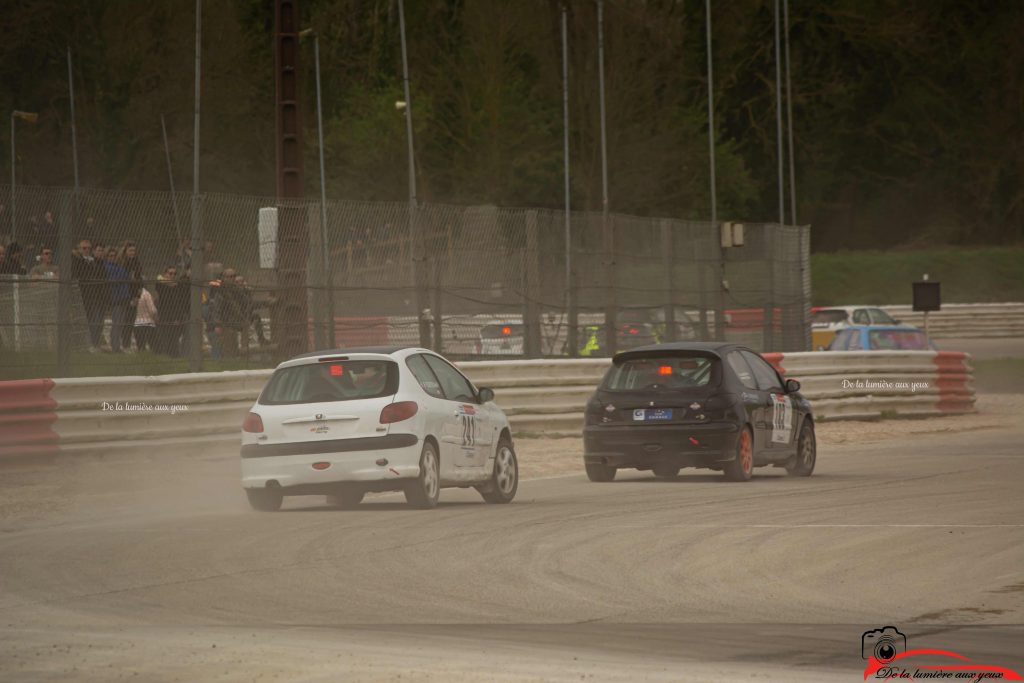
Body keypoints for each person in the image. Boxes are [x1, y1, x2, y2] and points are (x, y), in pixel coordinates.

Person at [70, 239, 108, 351]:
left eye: (88, 248)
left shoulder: (96, 261)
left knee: (99, 321)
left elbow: (103, 276)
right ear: (79, 249)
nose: (87, 250)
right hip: (85, 295)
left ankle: (95, 343)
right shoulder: (77, 261)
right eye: (84, 248)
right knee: (90, 320)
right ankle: (89, 344)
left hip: (98, 295)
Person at [214, 268, 248, 358]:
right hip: (226, 322)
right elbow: (217, 309)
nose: (232, 278)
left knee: (235, 345)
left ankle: (240, 357)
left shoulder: (236, 289)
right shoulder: (221, 290)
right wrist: (218, 325)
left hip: (236, 320)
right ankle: (228, 363)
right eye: (229, 276)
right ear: (224, 278)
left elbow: (246, 302)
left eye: (234, 276)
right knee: (229, 347)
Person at [155, 265, 187, 356]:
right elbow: (158, 283)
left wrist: (178, 317)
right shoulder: (161, 285)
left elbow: (179, 303)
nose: (173, 275)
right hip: (165, 314)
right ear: (165, 274)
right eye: (170, 273)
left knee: (174, 337)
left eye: (174, 274)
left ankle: (174, 355)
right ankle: (166, 354)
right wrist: (168, 282)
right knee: (166, 336)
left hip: (176, 315)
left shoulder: (178, 286)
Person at [103, 246, 131, 353]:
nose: (113, 258)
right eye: (110, 256)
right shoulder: (107, 267)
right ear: (107, 257)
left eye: (114, 256)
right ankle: (115, 347)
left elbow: (126, 279)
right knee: (117, 323)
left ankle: (117, 346)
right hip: (116, 298)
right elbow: (114, 280)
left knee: (121, 323)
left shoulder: (120, 267)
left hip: (124, 297)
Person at [120, 241, 144, 351]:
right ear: (125, 251)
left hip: (135, 294)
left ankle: (136, 345)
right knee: (127, 321)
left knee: (134, 321)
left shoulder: (137, 262)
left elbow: (139, 280)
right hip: (125, 294)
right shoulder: (122, 263)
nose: (132, 252)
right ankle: (125, 345)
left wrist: (137, 295)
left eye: (134, 250)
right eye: (130, 250)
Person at [133, 283, 157, 353]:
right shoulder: (146, 295)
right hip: (147, 323)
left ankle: (143, 354)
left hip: (138, 323)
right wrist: (155, 317)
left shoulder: (143, 295)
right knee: (151, 344)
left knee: (141, 345)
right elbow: (152, 310)